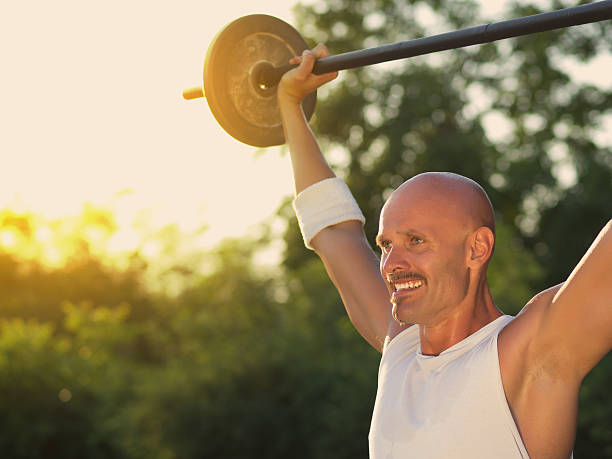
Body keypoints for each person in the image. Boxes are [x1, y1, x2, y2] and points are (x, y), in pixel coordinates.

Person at [277, 44, 612, 458]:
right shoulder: (400, 347)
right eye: (386, 245)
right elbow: (333, 231)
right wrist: (290, 105)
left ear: (477, 248)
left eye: (415, 241)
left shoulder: (529, 352)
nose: (391, 264)